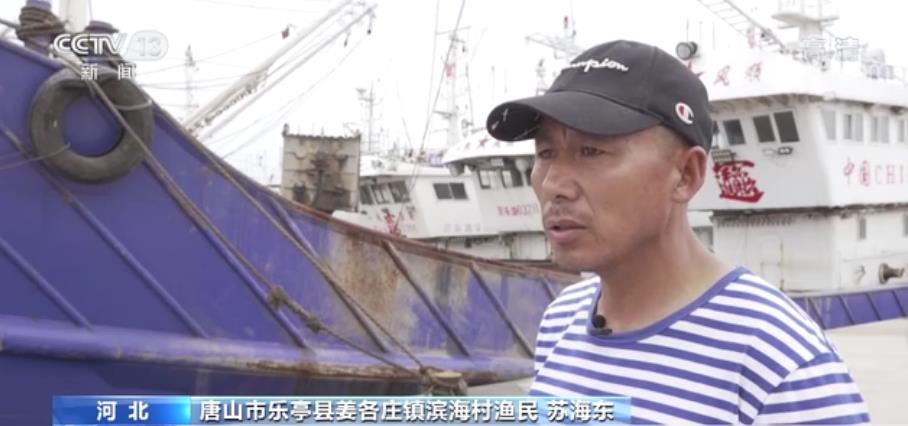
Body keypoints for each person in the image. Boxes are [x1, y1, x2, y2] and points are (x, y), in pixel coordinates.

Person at [485, 40, 869, 424]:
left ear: (686, 175)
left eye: (591, 151)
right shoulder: (560, 320)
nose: (553, 184)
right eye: (545, 153)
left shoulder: (779, 361)